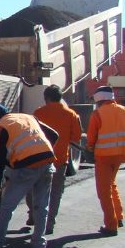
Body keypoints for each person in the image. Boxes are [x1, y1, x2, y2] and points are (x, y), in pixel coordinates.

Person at [0, 103, 58, 248]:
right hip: (47, 161)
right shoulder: (29, 117)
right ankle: (38, 246)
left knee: (7, 205)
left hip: (26, 168)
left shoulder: (1, 127)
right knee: (41, 206)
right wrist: (40, 152)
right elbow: (54, 135)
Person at [86, 86, 125, 236]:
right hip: (120, 156)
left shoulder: (97, 114)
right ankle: (118, 217)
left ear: (98, 100)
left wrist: (88, 149)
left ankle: (111, 226)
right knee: (111, 185)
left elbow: (91, 139)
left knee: (103, 192)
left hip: (103, 157)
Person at [24, 85, 82, 234]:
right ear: (60, 98)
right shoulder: (71, 115)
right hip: (60, 161)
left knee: (34, 190)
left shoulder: (38, 113)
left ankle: (34, 216)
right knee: (55, 193)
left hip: (39, 160)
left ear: (46, 98)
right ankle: (49, 224)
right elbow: (75, 139)